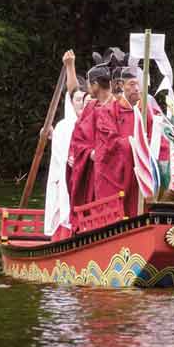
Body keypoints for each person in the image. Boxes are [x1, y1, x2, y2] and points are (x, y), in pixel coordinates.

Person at [44, 50, 89, 240]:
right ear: (71, 103)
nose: (81, 103)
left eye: (83, 100)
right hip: (65, 178)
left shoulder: (90, 122)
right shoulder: (64, 126)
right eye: (77, 100)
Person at [65, 64, 113, 233]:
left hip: (112, 169)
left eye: (88, 83)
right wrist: (89, 153)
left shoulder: (119, 107)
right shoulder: (91, 107)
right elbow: (78, 136)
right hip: (91, 167)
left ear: (95, 85)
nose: (86, 88)